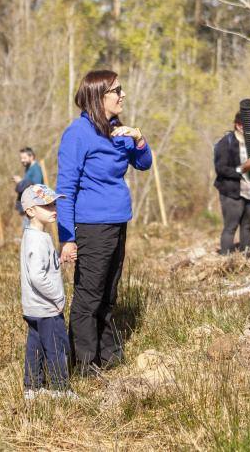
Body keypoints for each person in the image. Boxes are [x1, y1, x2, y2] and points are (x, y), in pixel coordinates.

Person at [57, 69, 151, 376]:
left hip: (117, 221)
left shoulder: (117, 129)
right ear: (99, 97)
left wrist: (138, 138)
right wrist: (68, 236)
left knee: (109, 293)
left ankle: (109, 357)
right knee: (89, 295)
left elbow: (143, 163)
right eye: (117, 90)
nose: (123, 95)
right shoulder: (78, 133)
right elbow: (66, 189)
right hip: (91, 226)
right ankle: (84, 365)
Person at [19, 184, 76, 400]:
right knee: (56, 347)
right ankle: (62, 389)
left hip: (34, 307)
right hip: (46, 307)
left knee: (35, 346)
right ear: (31, 210)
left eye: (53, 204)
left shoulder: (35, 235)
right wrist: (58, 297)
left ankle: (32, 387)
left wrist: (59, 260)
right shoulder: (37, 239)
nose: (53, 209)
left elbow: (41, 266)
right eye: (46, 205)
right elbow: (37, 276)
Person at [214, 112, 250, 254]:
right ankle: (225, 257)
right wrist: (240, 171)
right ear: (238, 125)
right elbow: (220, 168)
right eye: (245, 126)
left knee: (248, 225)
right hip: (231, 192)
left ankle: (246, 255)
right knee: (231, 226)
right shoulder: (226, 142)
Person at [14, 147, 45, 229]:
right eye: (21, 158)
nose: (22, 160)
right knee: (27, 230)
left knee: (30, 230)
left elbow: (36, 186)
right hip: (28, 206)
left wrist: (21, 182)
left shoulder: (36, 169)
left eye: (24, 158)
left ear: (31, 157)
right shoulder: (28, 169)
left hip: (33, 206)